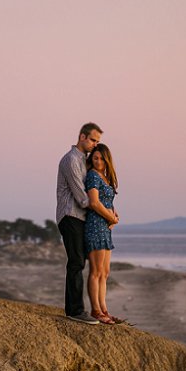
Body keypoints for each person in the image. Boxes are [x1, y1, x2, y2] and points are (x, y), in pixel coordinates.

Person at [57, 122, 103, 324]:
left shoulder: (85, 162)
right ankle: (75, 310)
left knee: (80, 262)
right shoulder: (71, 160)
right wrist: (104, 213)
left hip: (81, 217)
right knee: (76, 261)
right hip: (70, 216)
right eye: (93, 139)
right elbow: (82, 198)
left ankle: (79, 309)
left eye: (98, 141)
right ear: (82, 137)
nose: (95, 144)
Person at [84, 143, 122, 325]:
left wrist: (114, 214)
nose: (98, 161)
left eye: (101, 158)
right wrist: (111, 218)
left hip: (105, 228)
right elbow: (94, 202)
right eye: (95, 158)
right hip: (95, 226)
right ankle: (96, 310)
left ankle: (104, 309)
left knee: (105, 272)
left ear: (107, 159)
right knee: (96, 271)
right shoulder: (92, 175)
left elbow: (107, 202)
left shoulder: (106, 178)